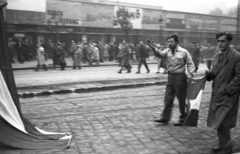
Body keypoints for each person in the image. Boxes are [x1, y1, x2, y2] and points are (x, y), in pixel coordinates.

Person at [148, 34, 195, 126]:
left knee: (181, 99)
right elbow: (160, 55)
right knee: (168, 98)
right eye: (168, 41)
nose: (169, 43)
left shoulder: (184, 52)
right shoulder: (167, 51)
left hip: (180, 77)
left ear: (177, 42)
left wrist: (190, 75)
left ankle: (183, 118)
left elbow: (190, 64)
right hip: (170, 77)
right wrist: (153, 48)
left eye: (172, 41)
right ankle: (165, 118)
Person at [205, 32, 240, 154]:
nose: (220, 43)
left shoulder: (236, 56)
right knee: (219, 122)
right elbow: (214, 74)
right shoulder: (216, 57)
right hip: (217, 94)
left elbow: (239, 77)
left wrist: (227, 89)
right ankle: (223, 145)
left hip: (229, 95)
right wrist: (209, 75)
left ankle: (226, 148)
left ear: (229, 42)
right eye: (218, 41)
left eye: (223, 41)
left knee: (222, 121)